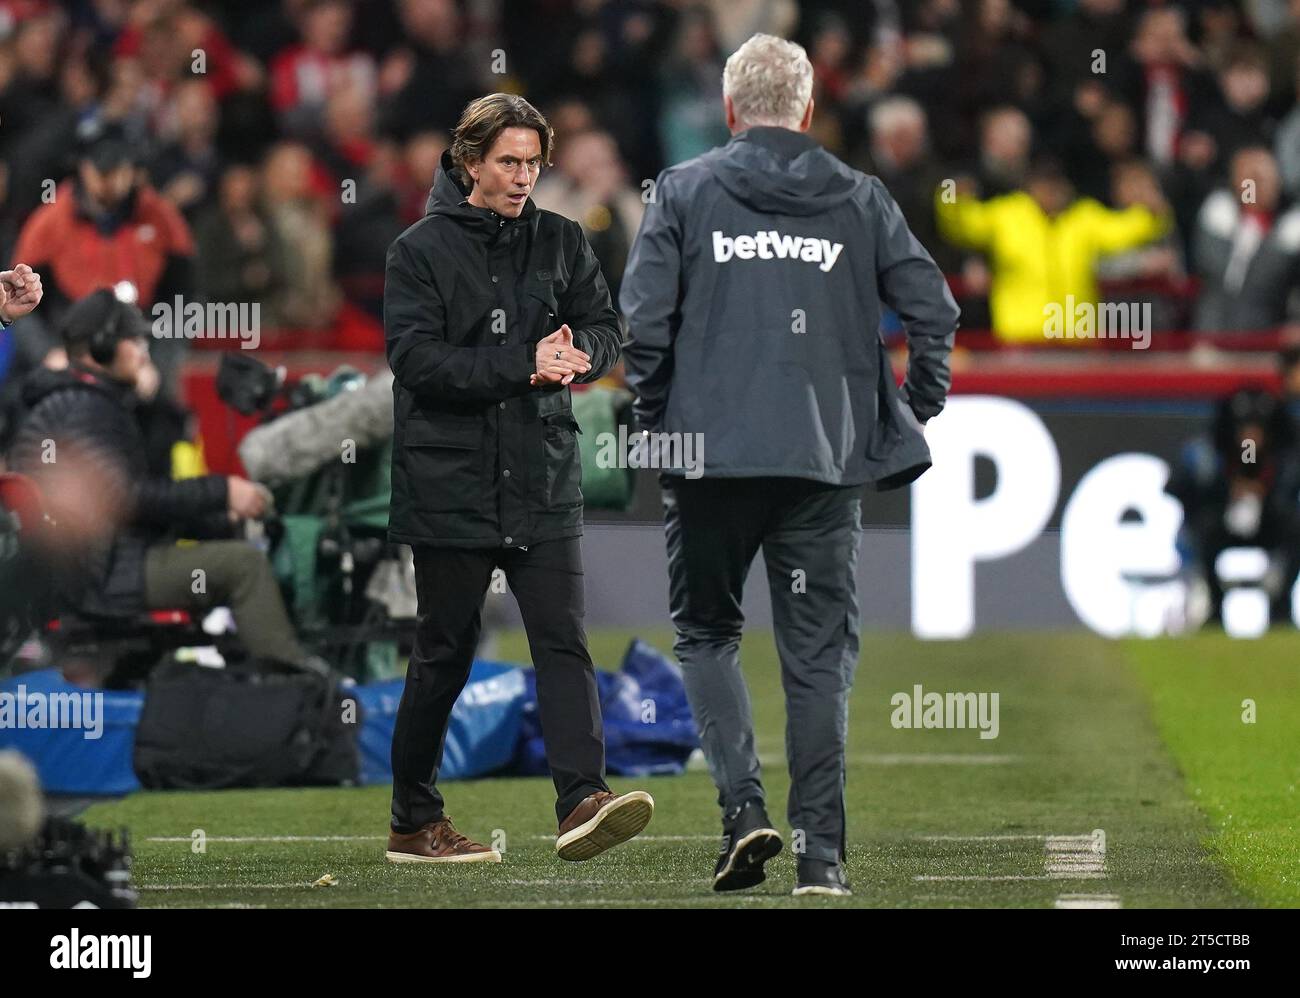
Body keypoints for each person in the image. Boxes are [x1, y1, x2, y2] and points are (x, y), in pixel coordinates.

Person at [620, 33, 958, 896]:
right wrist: (911, 407)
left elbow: (644, 325)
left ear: (731, 110)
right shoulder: (859, 196)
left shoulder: (685, 191)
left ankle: (744, 814)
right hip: (821, 460)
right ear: (807, 110)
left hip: (709, 460)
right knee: (815, 662)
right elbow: (935, 309)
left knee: (705, 636)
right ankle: (822, 858)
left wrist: (658, 422)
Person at [382, 93, 652, 865]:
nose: (523, 175)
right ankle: (412, 820)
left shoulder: (564, 241)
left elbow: (608, 329)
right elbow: (417, 362)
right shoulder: (418, 251)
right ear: (470, 162)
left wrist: (582, 356)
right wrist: (521, 361)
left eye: (533, 162)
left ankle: (582, 800)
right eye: (508, 161)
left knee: (563, 640)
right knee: (445, 656)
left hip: (540, 474)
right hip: (450, 484)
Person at [6, 289, 320, 675]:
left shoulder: (75, 402)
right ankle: (294, 689)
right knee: (244, 566)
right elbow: (125, 500)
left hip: (92, 570)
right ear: (101, 347)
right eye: (134, 340)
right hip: (101, 579)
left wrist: (216, 522)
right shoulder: (84, 407)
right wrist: (223, 491)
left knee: (232, 544)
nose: (144, 352)